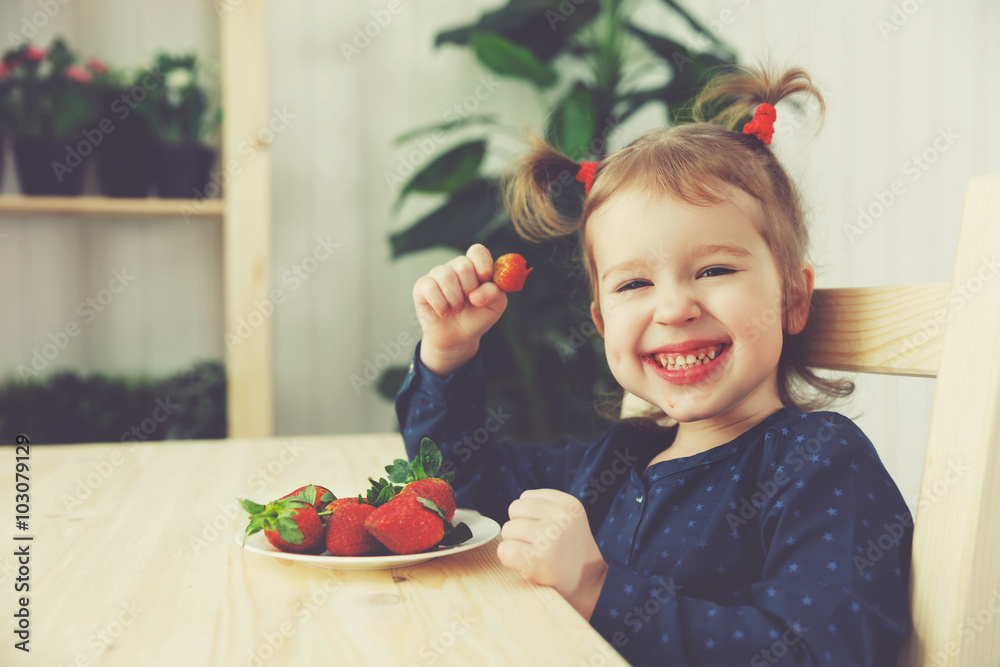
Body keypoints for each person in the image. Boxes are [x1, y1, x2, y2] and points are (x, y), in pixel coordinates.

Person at [395, 64, 912, 666]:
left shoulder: (817, 462)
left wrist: (596, 588)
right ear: (601, 323)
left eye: (715, 270)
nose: (673, 308)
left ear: (793, 298)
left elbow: (820, 652)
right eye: (634, 283)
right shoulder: (616, 459)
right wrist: (449, 355)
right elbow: (460, 490)